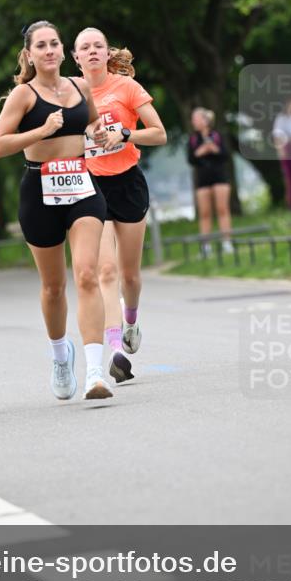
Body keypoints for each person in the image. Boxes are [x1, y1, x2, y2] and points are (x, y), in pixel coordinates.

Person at [0, 20, 113, 401]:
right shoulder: (23, 96)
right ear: (29, 54)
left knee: (88, 275)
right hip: (39, 190)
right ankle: (61, 355)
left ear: (62, 50)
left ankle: (95, 372)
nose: (49, 50)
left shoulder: (79, 86)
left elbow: (91, 123)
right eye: (40, 45)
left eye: (54, 44)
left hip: (80, 185)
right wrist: (40, 132)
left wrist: (98, 133)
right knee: (53, 286)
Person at [73, 28, 167, 384]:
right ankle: (114, 350)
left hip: (127, 181)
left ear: (105, 52)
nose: (92, 51)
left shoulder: (126, 88)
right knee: (106, 271)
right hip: (90, 185)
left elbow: (159, 133)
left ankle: (129, 320)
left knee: (129, 275)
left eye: (98, 46)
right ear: (76, 56)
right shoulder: (70, 92)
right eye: (85, 47)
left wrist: (125, 134)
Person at [187, 108, 233, 256]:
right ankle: (206, 246)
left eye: (196, 118)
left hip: (220, 177)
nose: (193, 121)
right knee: (205, 212)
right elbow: (191, 159)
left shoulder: (217, 136)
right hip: (203, 179)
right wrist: (199, 152)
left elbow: (226, 155)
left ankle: (227, 242)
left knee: (222, 209)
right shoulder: (193, 139)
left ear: (205, 120)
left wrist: (214, 149)